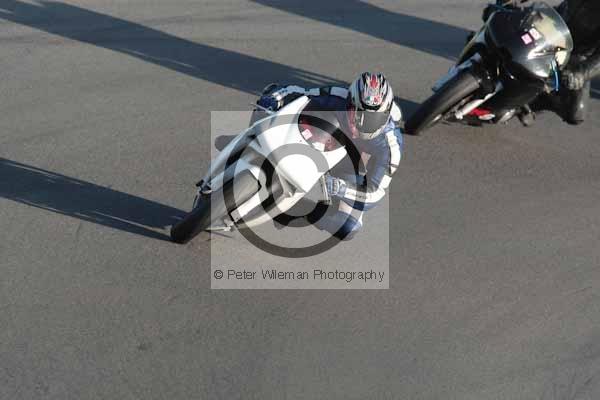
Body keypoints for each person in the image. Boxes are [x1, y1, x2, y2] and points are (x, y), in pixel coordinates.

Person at [256, 72, 403, 240]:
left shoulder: (390, 145)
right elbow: (298, 92)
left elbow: (375, 193)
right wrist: (275, 98)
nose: (362, 124)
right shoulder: (338, 96)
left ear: (386, 114)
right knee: (267, 104)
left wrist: (342, 188)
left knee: (348, 227)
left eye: (373, 119)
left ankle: (292, 211)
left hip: (351, 167)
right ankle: (254, 146)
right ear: (350, 102)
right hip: (321, 137)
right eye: (357, 113)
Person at [483, 0, 600, 125]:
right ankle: (481, 46)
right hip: (553, 23)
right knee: (499, 15)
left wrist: (582, 72)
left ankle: (523, 105)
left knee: (575, 113)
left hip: (577, 54)